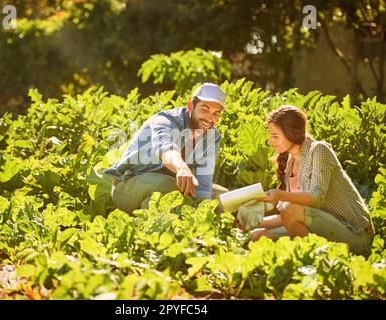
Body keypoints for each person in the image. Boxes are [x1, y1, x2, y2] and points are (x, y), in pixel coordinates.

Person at [252, 105, 375, 256]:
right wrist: (252, 221)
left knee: (290, 208)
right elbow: (286, 216)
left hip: (354, 233)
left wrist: (279, 195)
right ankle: (308, 261)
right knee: (258, 236)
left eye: (275, 136)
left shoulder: (319, 150)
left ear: (292, 133)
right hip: (319, 228)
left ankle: (313, 263)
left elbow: (316, 198)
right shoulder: (290, 164)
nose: (270, 141)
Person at [103, 83, 229, 214]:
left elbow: (203, 184)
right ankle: (151, 226)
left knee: (224, 197)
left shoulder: (212, 136)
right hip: (127, 187)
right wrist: (182, 168)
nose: (210, 118)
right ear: (190, 106)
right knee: (170, 187)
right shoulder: (165, 121)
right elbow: (166, 150)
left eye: (216, 113)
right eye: (205, 110)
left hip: (172, 187)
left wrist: (203, 211)